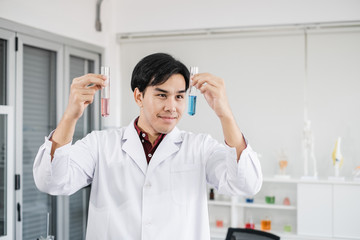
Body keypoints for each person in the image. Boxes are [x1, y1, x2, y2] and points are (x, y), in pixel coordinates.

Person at [33, 53, 262, 240]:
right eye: (162, 95)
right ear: (138, 96)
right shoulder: (101, 144)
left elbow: (246, 183)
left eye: (179, 97)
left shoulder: (199, 147)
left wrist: (225, 115)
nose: (172, 107)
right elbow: (51, 181)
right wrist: (70, 117)